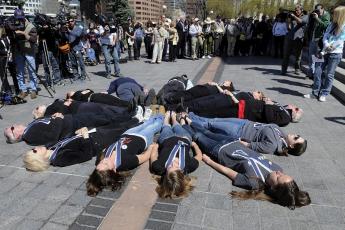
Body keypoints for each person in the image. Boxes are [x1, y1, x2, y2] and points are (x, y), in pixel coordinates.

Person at [184, 121, 310, 209]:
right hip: (232, 142)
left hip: (219, 150)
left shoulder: (254, 182)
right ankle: (186, 119)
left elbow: (228, 172)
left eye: (278, 177)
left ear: (273, 188)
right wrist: (247, 143)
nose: (279, 172)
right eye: (283, 174)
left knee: (198, 136)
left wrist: (209, 161)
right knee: (205, 130)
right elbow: (254, 154)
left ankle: (178, 124)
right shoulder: (277, 168)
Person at [86, 115, 164, 196]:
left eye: (100, 164)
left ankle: (154, 116)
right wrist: (152, 147)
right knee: (153, 126)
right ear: (114, 170)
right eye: (106, 164)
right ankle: (162, 117)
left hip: (126, 135)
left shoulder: (100, 159)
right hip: (143, 138)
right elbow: (144, 157)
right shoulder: (125, 162)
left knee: (145, 123)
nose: (103, 161)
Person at [23, 125, 135, 171]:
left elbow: (68, 138)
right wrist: (85, 137)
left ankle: (136, 115)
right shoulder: (59, 159)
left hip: (90, 133)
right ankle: (142, 121)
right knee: (127, 130)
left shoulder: (51, 147)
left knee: (122, 124)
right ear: (39, 159)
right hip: (96, 142)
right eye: (34, 151)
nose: (35, 148)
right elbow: (85, 155)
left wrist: (76, 132)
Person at [186, 113, 307, 156]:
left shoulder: (273, 145)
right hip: (245, 123)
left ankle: (187, 119)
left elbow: (249, 145)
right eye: (298, 135)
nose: (295, 135)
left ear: (291, 146)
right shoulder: (282, 134)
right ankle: (190, 116)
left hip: (239, 131)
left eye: (296, 138)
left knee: (210, 125)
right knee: (215, 120)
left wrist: (236, 140)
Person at [150, 111, 202, 198]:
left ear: (165, 175)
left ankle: (167, 118)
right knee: (177, 126)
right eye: (177, 166)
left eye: (170, 167)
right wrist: (195, 145)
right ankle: (174, 119)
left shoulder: (158, 167)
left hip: (166, 139)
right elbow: (199, 156)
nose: (173, 163)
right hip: (184, 138)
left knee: (166, 127)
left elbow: (153, 157)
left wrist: (155, 147)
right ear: (182, 173)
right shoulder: (189, 166)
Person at [4, 112, 138, 146]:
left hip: (71, 120)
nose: (14, 124)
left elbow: (47, 123)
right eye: (12, 128)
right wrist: (58, 119)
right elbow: (53, 136)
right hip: (73, 125)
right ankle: (133, 118)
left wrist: (55, 115)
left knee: (102, 117)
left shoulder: (30, 128)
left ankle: (129, 115)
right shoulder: (30, 136)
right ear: (16, 136)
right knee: (103, 120)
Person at [179, 91, 303, 126]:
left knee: (215, 112)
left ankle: (190, 114)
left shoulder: (285, 118)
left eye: (296, 107)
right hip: (243, 105)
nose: (293, 105)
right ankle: (190, 109)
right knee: (216, 106)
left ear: (295, 111)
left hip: (243, 112)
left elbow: (270, 119)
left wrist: (269, 104)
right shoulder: (283, 109)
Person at [304, 5, 345, 102]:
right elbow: (325, 35)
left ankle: (324, 93)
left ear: (340, 14)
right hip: (323, 50)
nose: (333, 15)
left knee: (329, 74)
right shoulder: (331, 24)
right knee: (317, 71)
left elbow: (340, 40)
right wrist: (326, 45)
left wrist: (329, 48)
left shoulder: (344, 26)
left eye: (335, 13)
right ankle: (314, 92)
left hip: (335, 54)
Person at [12, 9, 39, 99]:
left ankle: (33, 89)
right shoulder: (14, 25)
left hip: (29, 51)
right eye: (17, 19)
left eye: (20, 18)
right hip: (18, 51)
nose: (19, 20)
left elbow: (34, 39)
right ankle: (23, 90)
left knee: (32, 71)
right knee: (20, 72)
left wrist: (24, 33)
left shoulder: (31, 26)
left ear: (24, 17)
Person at [281, 4, 308, 75]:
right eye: (295, 10)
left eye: (297, 10)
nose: (296, 11)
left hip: (299, 39)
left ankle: (297, 69)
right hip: (289, 38)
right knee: (286, 54)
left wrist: (294, 16)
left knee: (298, 56)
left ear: (301, 10)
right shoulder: (292, 16)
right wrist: (288, 20)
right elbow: (288, 28)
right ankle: (283, 70)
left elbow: (301, 22)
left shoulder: (305, 16)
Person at [305, 4, 331, 79]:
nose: (318, 12)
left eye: (319, 10)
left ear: (323, 9)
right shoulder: (314, 14)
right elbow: (310, 26)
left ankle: (316, 77)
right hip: (313, 38)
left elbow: (325, 26)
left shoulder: (326, 15)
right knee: (311, 57)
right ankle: (310, 74)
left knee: (318, 59)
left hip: (319, 40)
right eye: (316, 10)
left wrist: (317, 18)